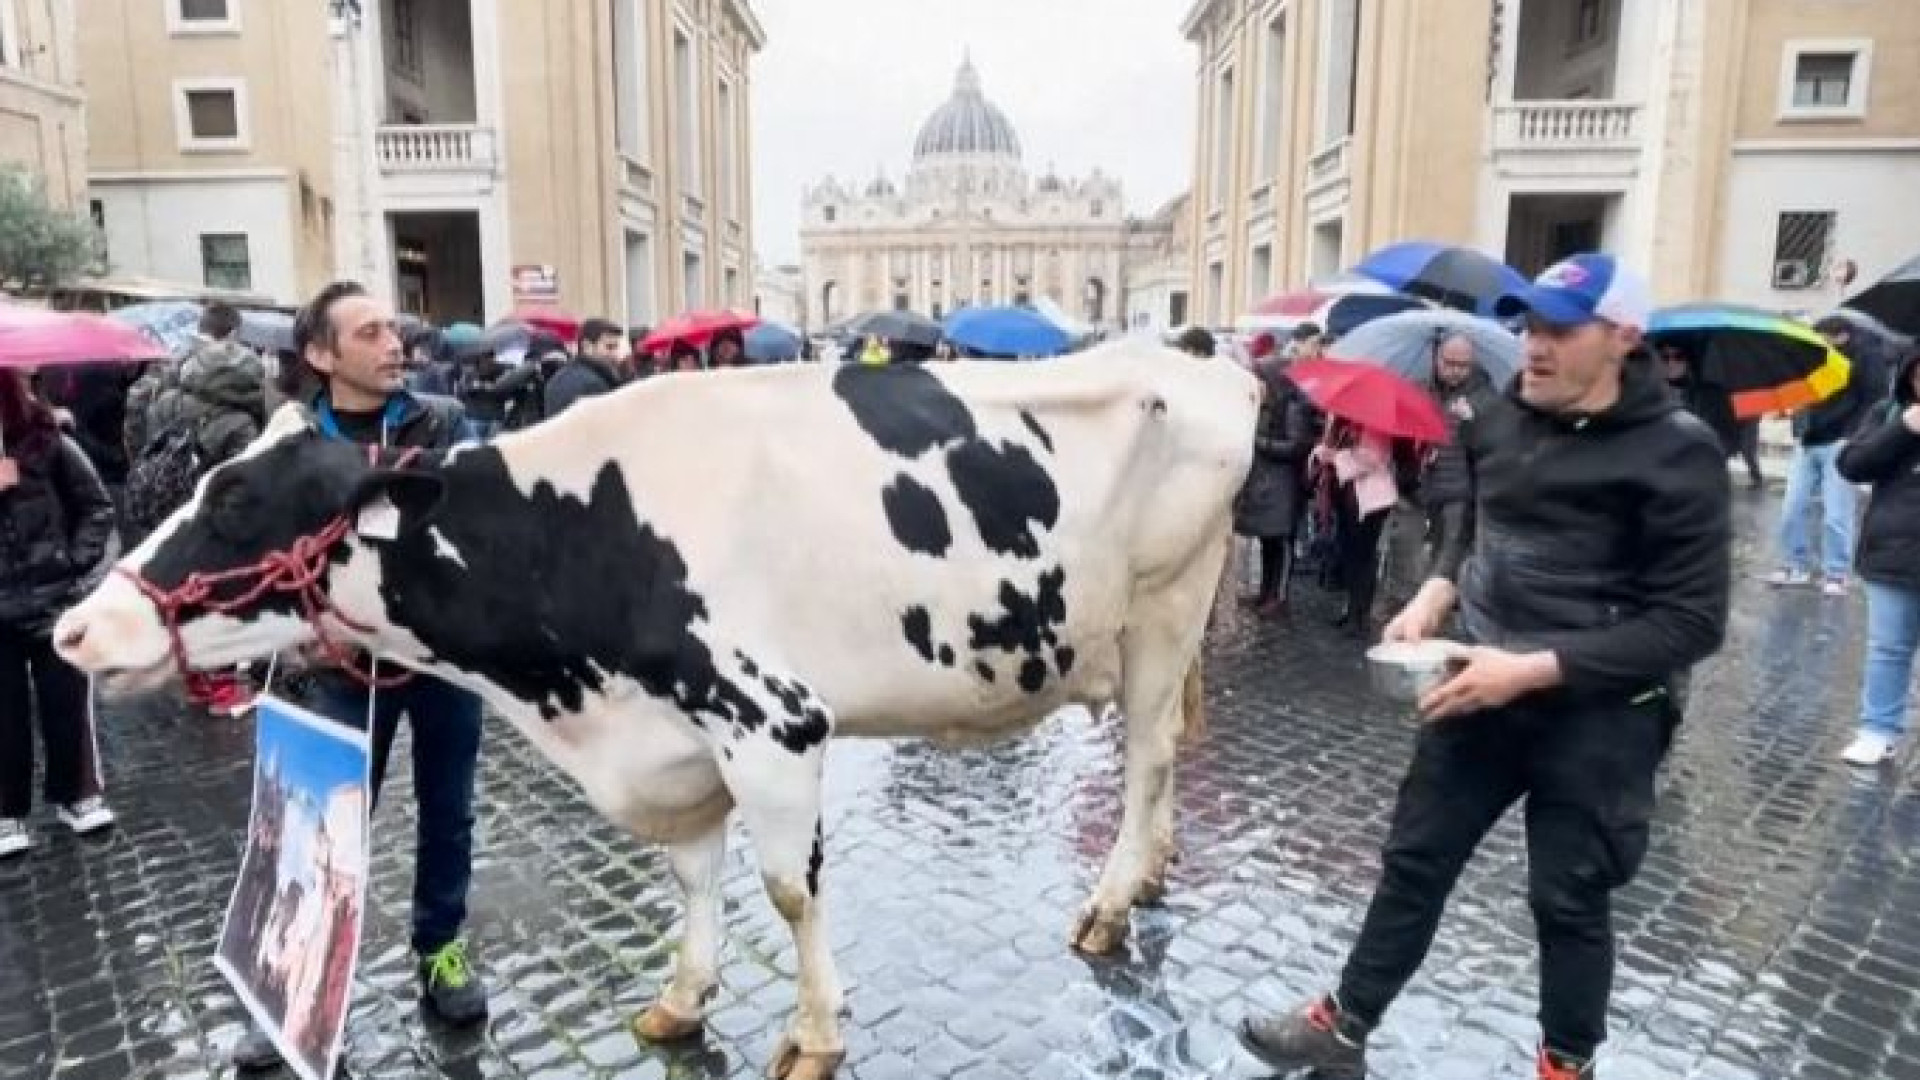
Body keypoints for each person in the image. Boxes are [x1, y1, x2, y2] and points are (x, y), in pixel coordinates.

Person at [1237, 255, 1731, 1080]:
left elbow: (1690, 623)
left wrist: (1534, 668)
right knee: (1413, 858)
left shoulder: (1678, 453)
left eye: (1560, 331)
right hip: (1477, 682)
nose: (1534, 346)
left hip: (1604, 714)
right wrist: (1437, 587)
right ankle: (1344, 1027)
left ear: (1623, 337)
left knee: (1566, 901)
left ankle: (1565, 1066)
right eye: (1530, 325)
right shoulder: (1501, 420)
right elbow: (1469, 530)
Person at [230, 281, 490, 1071]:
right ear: (319, 354)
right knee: (325, 822)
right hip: (338, 662)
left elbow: (478, 524)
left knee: (449, 811)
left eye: (395, 330)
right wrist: (289, 629)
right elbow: (257, 548)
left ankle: (440, 949)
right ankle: (294, 983)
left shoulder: (438, 420)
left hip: (436, 653)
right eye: (370, 332)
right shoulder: (295, 437)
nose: (394, 344)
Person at [0, 370, 119, 858]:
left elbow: (96, 506)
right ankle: (7, 811)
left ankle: (76, 795)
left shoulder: (49, 443)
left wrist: (72, 563)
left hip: (53, 598)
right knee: (3, 715)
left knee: (66, 703)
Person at [1835, 350, 1920, 765]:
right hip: (1893, 553)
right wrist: (1903, 429)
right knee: (1888, 648)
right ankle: (1877, 730)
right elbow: (1852, 464)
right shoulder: (1888, 414)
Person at [1765, 316, 1887, 594]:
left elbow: (1874, 399)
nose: (1819, 341)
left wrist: (1852, 435)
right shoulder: (1813, 355)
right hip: (1808, 440)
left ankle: (1836, 572)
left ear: (1840, 336)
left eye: (1823, 336)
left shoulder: (1866, 356)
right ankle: (1795, 564)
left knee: (1837, 512)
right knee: (1792, 507)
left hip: (1839, 441)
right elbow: (1801, 392)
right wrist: (1796, 421)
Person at [1234, 334, 1313, 617]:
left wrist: (1259, 442)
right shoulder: (1266, 406)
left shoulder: (1293, 407)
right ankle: (1265, 592)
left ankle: (1278, 597)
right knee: (1268, 542)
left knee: (1280, 544)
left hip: (1286, 485)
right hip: (1269, 483)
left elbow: (1296, 446)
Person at [1419, 334, 1494, 581]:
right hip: (1427, 487)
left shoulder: (1484, 396)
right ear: (1436, 358)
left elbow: (1494, 444)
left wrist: (1474, 420)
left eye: (1462, 366)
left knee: (1452, 554)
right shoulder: (1424, 389)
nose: (1454, 371)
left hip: (1462, 491)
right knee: (1432, 551)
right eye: (1448, 363)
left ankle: (1441, 604)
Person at [544, 318, 628, 418]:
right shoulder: (594, 384)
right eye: (609, 347)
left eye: (616, 347)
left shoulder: (556, 379)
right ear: (587, 346)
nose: (615, 354)